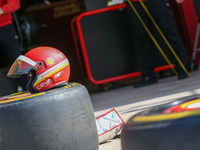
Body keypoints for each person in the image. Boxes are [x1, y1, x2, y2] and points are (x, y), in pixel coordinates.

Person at [125, 0, 190, 88]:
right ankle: (148, 74)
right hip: (135, 3)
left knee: (169, 31)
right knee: (143, 37)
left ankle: (182, 67)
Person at [0, 0, 28, 91]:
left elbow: (16, 3)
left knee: (17, 61)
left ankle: (29, 88)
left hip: (4, 27)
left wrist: (1, 10)